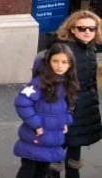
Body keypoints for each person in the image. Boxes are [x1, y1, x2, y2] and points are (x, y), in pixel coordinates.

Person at [38, 11, 102, 177]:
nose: (87, 32)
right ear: (72, 29)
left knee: (75, 148)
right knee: (58, 150)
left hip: (84, 108)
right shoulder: (64, 51)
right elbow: (52, 81)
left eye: (92, 28)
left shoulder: (89, 48)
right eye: (82, 28)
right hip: (66, 107)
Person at [14, 43, 78, 178]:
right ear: (48, 61)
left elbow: (65, 106)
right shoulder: (39, 83)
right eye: (55, 61)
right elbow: (22, 102)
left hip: (53, 136)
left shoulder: (65, 83)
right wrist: (36, 124)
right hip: (36, 136)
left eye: (64, 62)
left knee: (43, 169)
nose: (59, 65)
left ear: (70, 65)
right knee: (29, 169)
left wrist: (65, 121)